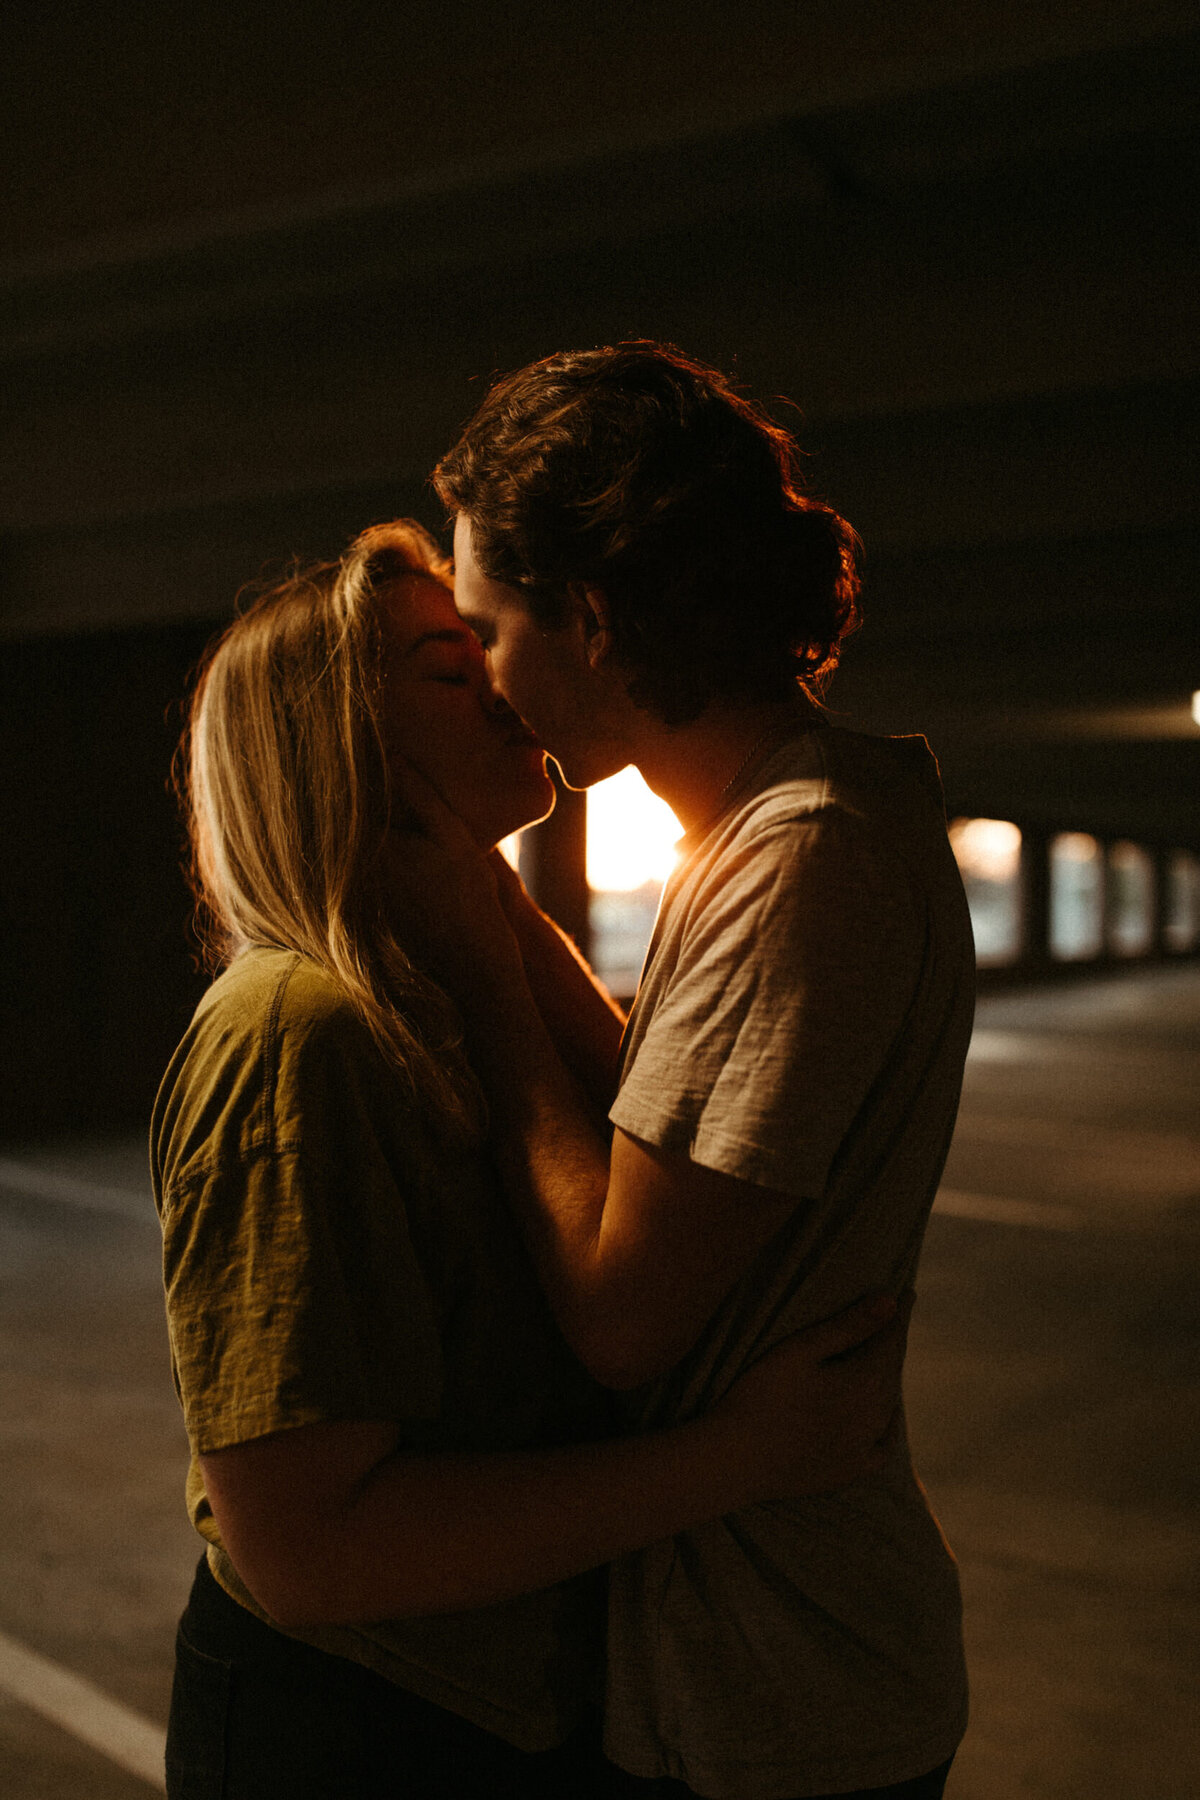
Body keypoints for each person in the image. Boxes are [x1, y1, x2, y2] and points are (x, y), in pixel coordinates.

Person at [151, 516, 913, 1800]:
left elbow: (636, 1142)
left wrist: (494, 910)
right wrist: (746, 1456)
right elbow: (309, 1555)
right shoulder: (297, 1032)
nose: (506, 687)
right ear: (342, 744)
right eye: (453, 673)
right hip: (355, 1723)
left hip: (489, 1701)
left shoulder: (436, 993)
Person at [403, 342, 979, 1800]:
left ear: (591, 618)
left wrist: (483, 968)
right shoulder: (772, 827)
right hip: (750, 1667)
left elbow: (619, 1317)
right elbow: (653, 1129)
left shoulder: (802, 861)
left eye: (485, 626)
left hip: (778, 1681)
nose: (479, 670)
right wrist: (510, 916)